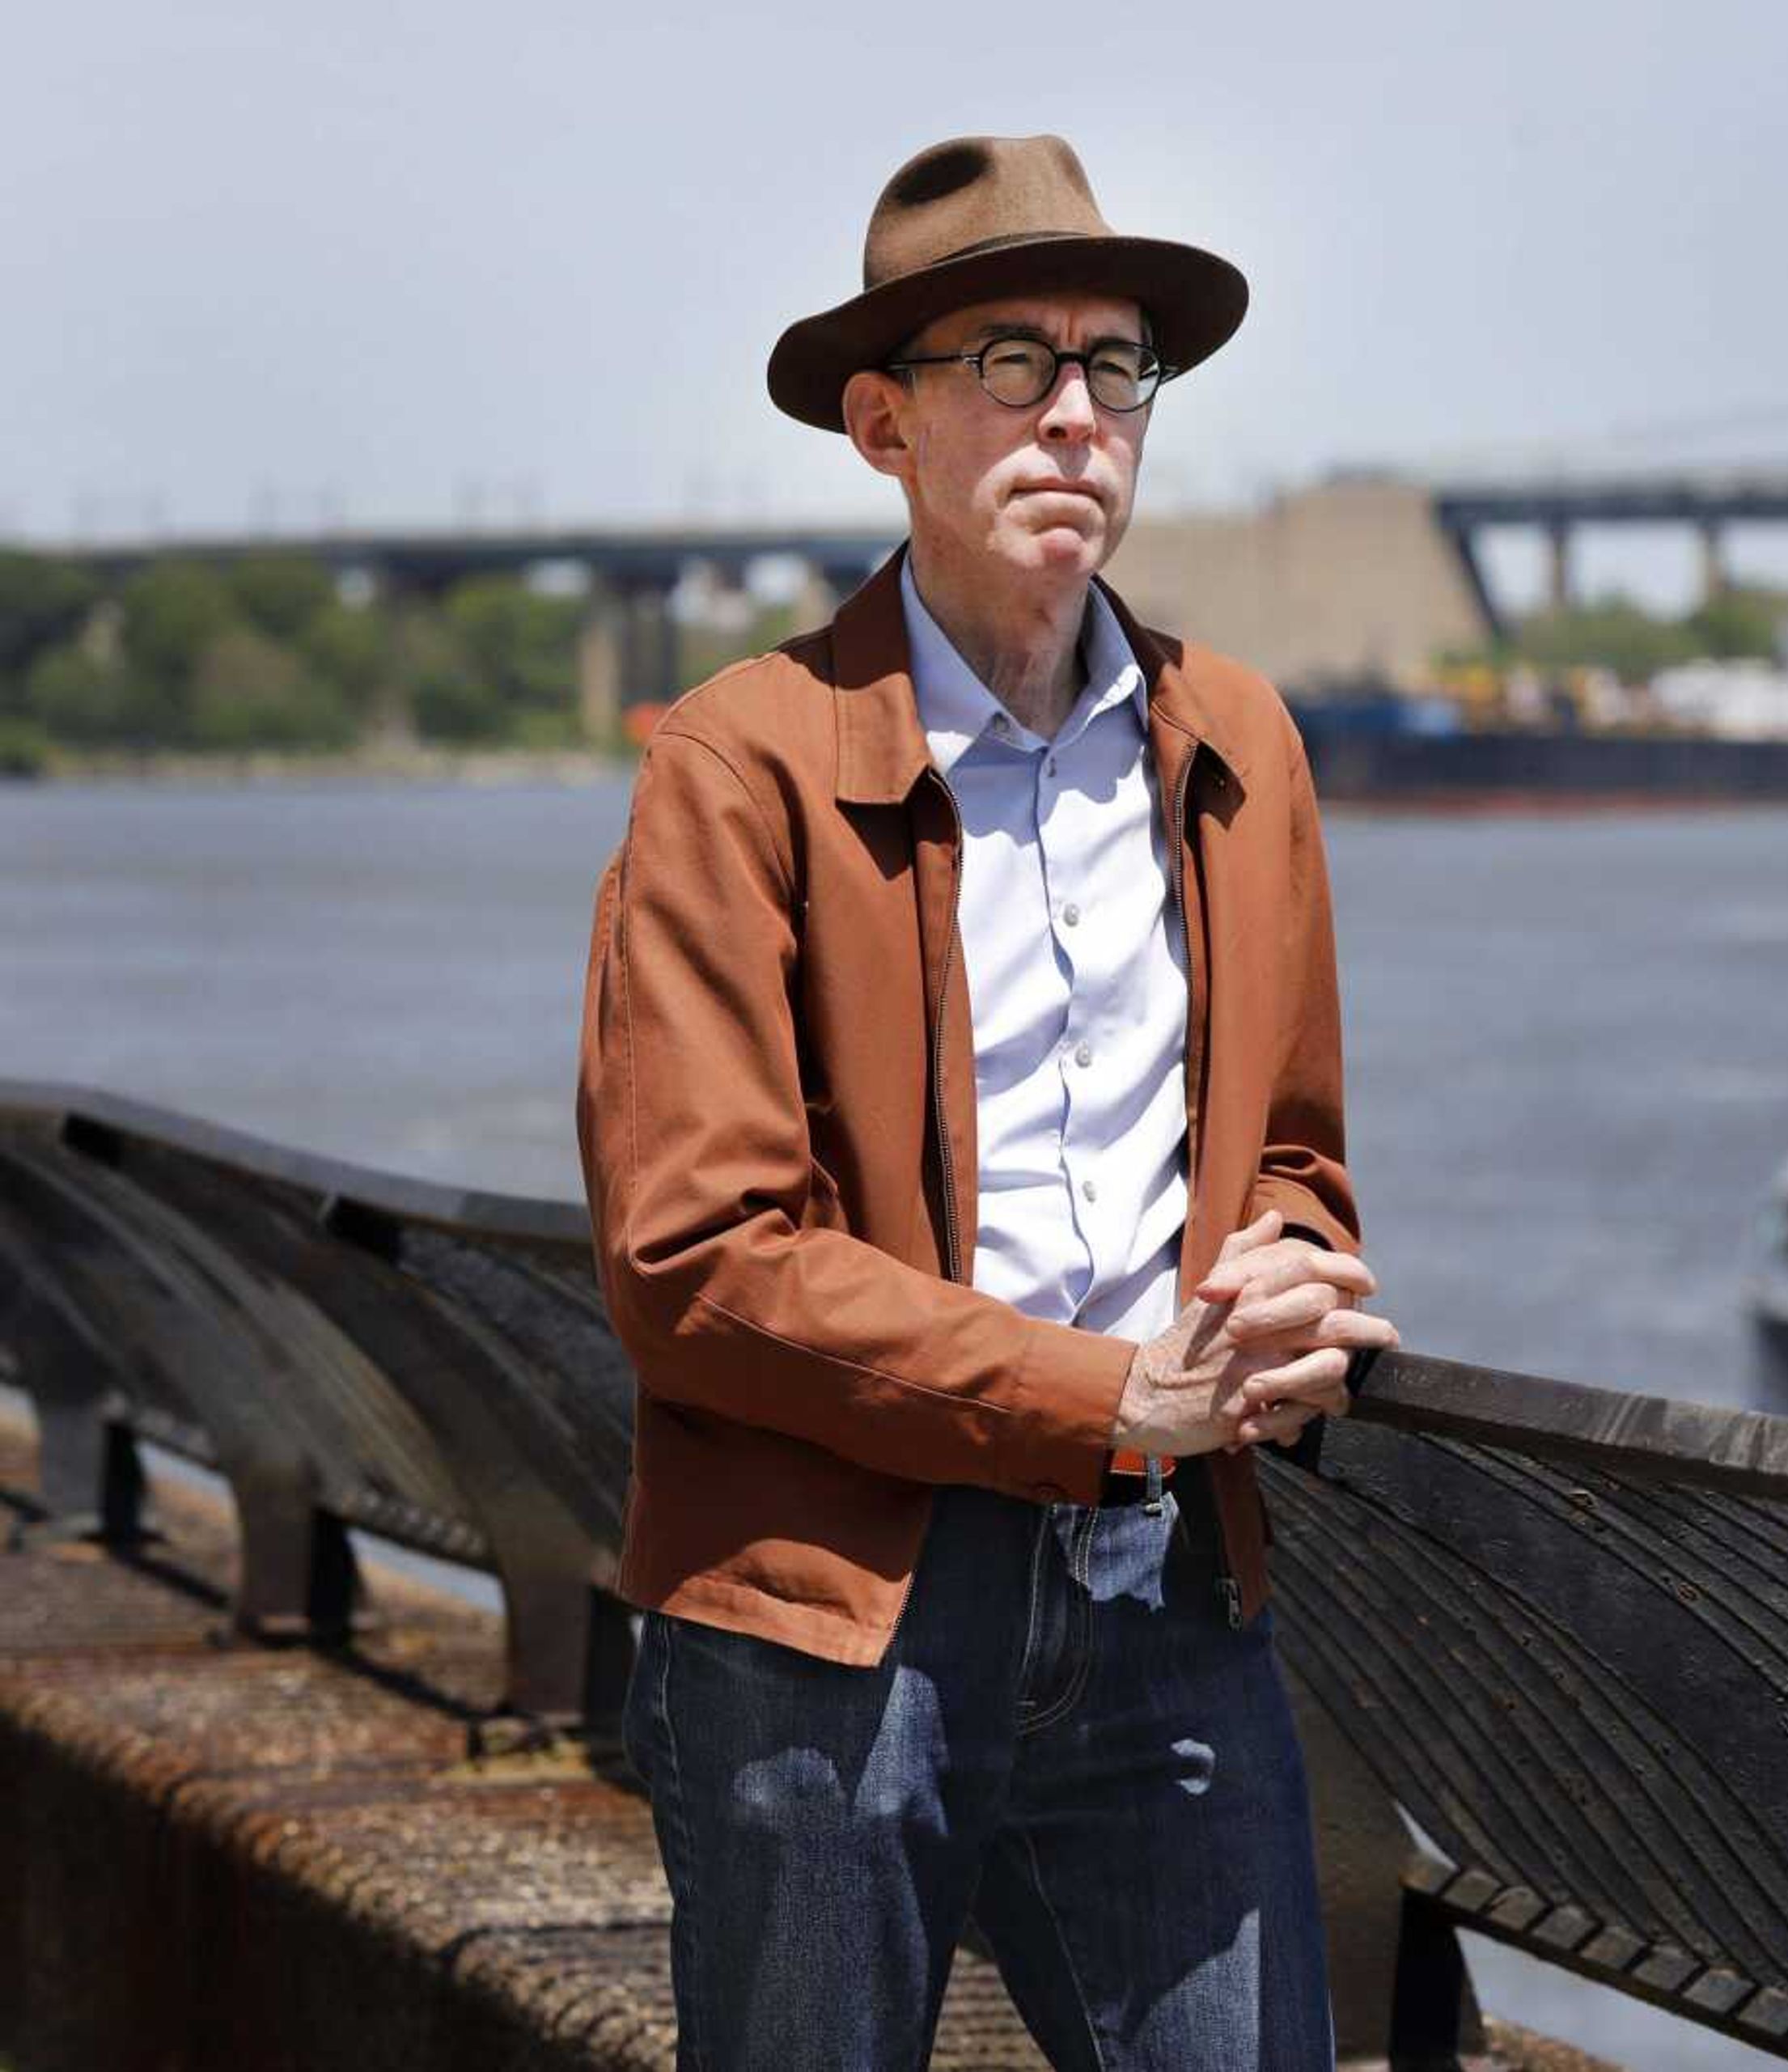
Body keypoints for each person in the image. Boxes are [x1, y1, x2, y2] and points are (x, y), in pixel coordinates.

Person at [572, 131, 1392, 2070]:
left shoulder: (1243, 741)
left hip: (1173, 1588)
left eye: (1117, 368)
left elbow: (1289, 1149)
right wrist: (1099, 1394)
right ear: (882, 422)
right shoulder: (738, 764)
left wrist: (1300, 1278)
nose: (1078, 417)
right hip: (828, 1627)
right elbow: (693, 1260)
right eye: (1008, 363)